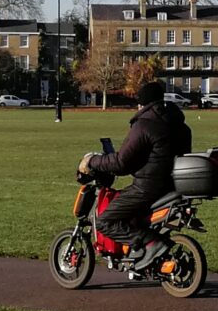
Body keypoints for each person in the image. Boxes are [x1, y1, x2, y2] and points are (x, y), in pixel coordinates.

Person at [79, 79, 191, 270]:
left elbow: (122, 163)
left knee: (105, 221)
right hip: (174, 185)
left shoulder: (144, 126)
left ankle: (148, 244)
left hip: (147, 187)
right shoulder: (180, 124)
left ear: (142, 104)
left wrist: (92, 160)